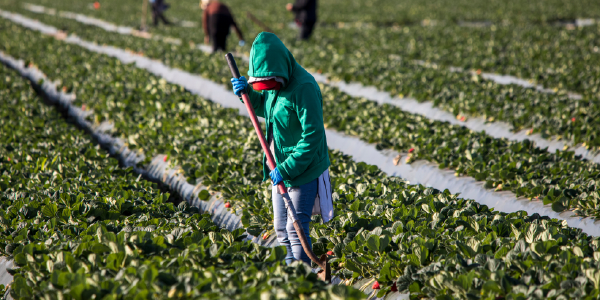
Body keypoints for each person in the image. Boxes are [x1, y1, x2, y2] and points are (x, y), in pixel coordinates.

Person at [230, 32, 333, 265]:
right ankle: (291, 277)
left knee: (296, 233)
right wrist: (246, 94)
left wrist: (287, 169)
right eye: (264, 85)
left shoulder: (303, 88)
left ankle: (302, 279)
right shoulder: (274, 84)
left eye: (271, 84)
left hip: (303, 170)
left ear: (281, 70)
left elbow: (313, 135)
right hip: (278, 166)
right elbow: (266, 108)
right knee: (281, 230)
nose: (269, 89)